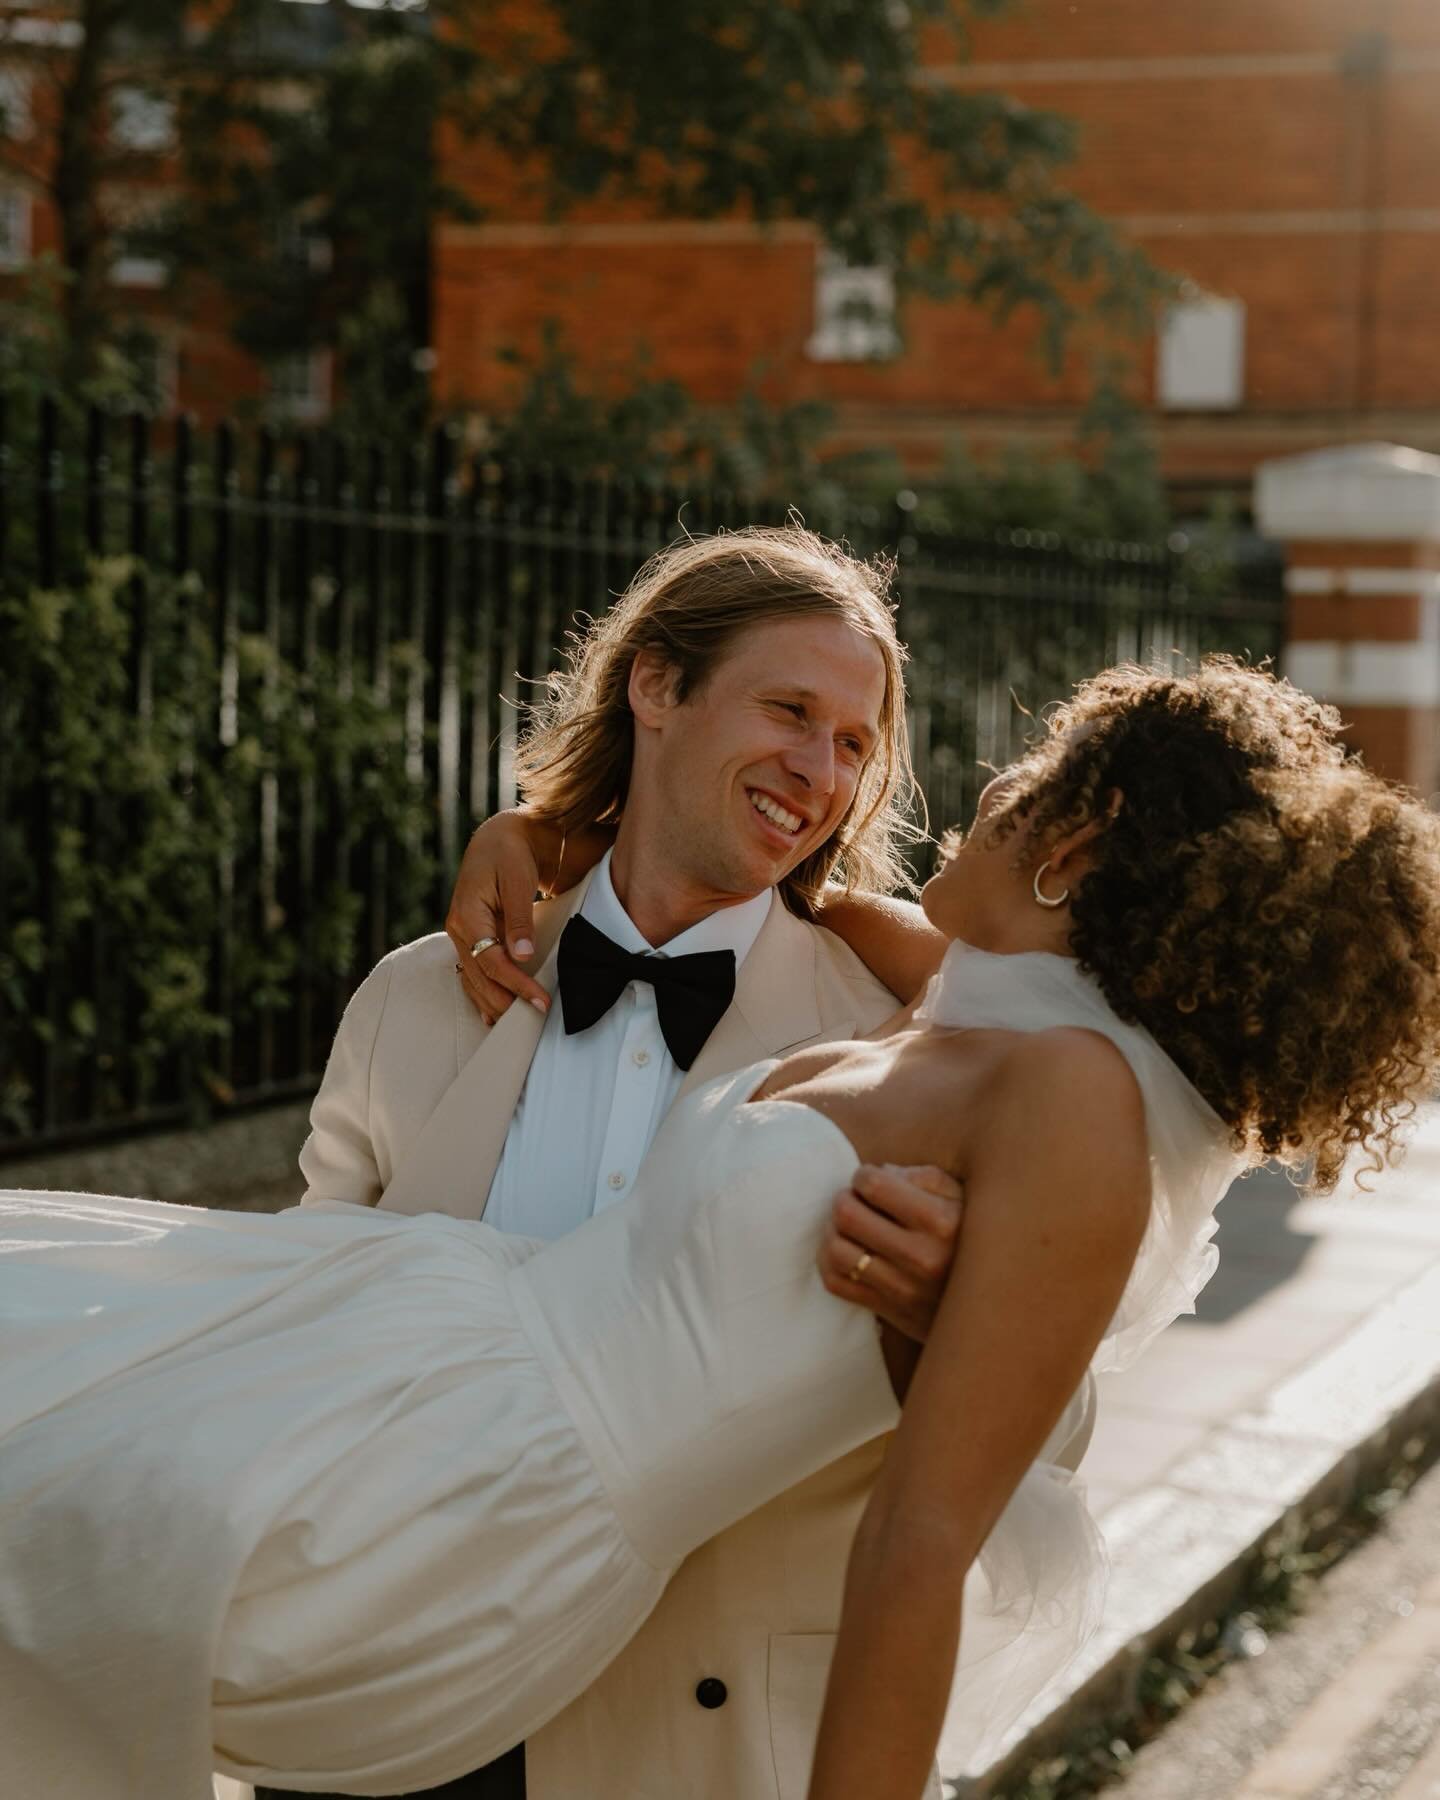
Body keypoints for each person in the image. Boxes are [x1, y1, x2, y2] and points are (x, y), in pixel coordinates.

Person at [4, 658, 1440, 1800]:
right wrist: (545, 828)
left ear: (1075, 838)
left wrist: (944, 1319)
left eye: (1035, 770)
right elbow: (773, 874)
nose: (987, 780)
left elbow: (926, 1537)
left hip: (496, 1513)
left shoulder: (1073, 1104)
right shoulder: (976, 1004)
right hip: (426, 1357)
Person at [274, 527, 1004, 1800]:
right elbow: (299, 1334)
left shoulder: (895, 1044)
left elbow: (1055, 1405)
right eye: (789, 709)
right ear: (655, 687)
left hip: (698, 1742)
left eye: (852, 742)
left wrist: (955, 1308)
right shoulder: (418, 999)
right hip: (394, 1717)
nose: (819, 770)